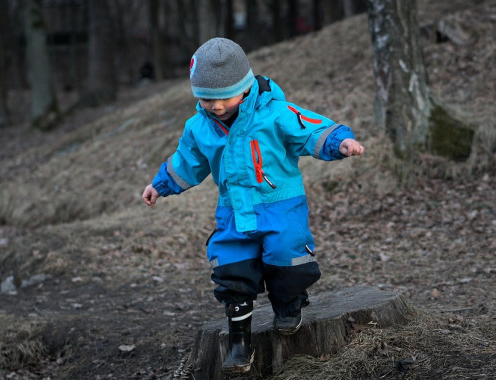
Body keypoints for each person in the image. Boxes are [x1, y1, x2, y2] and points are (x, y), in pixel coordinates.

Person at [141, 37, 364, 375]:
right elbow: (186, 161)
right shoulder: (199, 127)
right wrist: (160, 185)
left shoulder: (274, 113)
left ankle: (289, 303)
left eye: (224, 98)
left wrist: (339, 141)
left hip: (281, 205)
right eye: (205, 98)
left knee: (288, 258)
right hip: (233, 211)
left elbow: (310, 129)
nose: (215, 107)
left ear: (244, 88)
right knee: (231, 269)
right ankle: (239, 342)